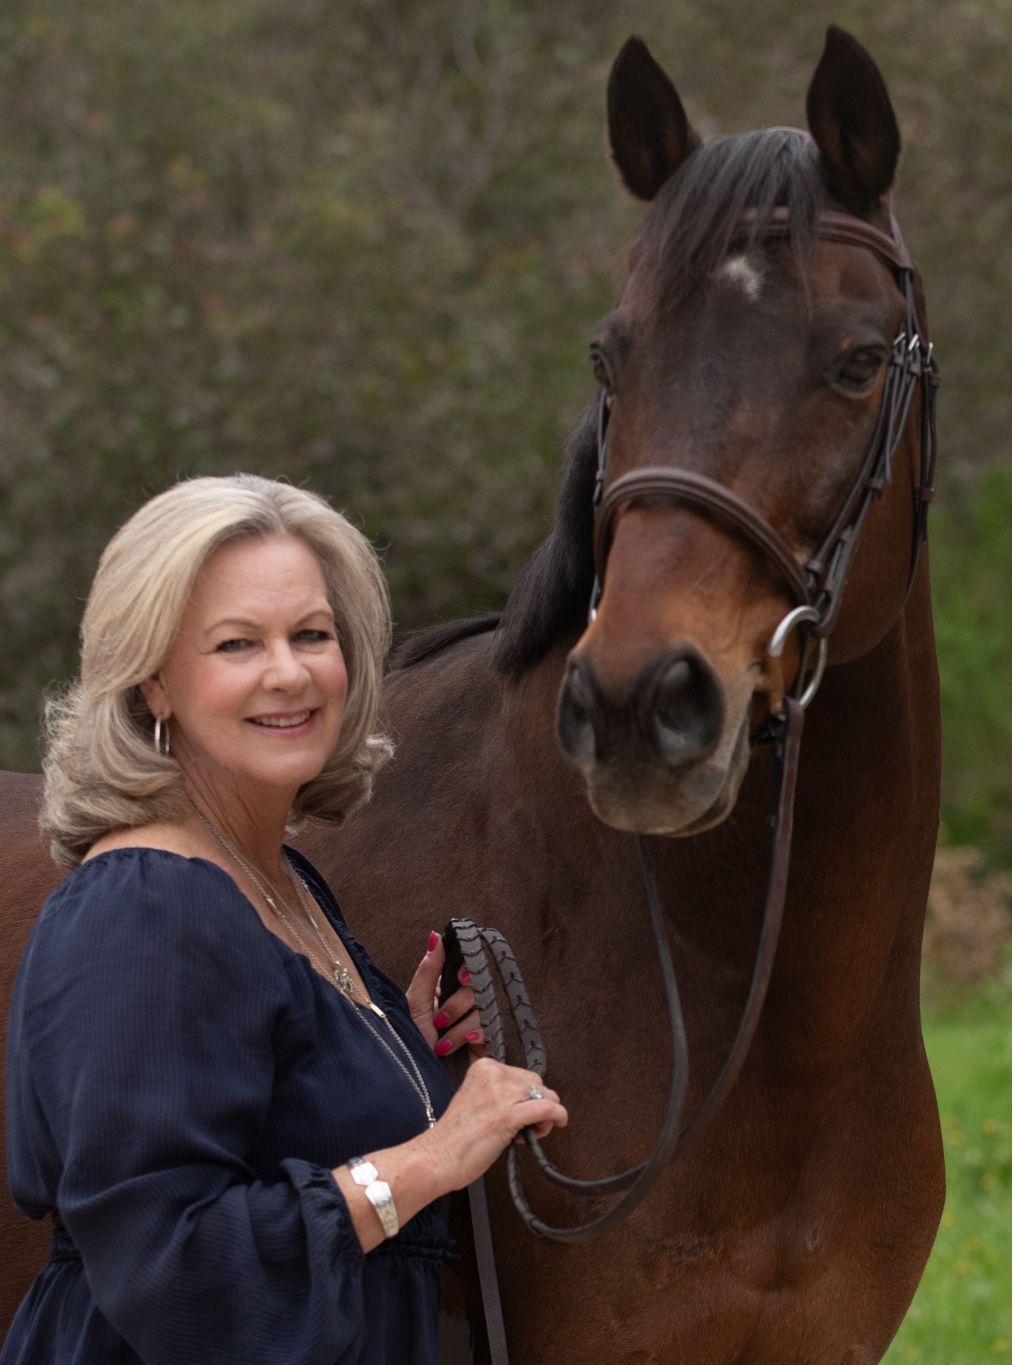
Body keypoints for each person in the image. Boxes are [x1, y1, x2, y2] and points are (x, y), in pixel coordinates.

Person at [2, 474, 566, 1364]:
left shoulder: (280, 883)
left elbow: (271, 1139)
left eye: (311, 634)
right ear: (153, 682)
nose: (289, 671)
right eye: (237, 643)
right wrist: (435, 1154)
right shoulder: (147, 905)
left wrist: (388, 1060)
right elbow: (170, 1268)